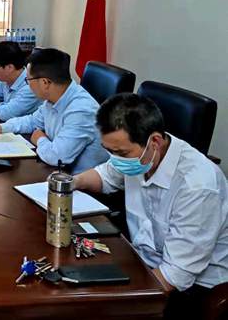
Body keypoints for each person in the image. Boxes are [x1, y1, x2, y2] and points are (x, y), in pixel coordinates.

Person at [73, 94, 227, 319]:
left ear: (155, 142)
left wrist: (113, 300)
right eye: (110, 151)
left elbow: (176, 274)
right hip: (143, 260)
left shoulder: (198, 187)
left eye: (121, 153)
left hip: (193, 287)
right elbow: (106, 175)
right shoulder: (142, 154)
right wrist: (72, 182)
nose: (116, 159)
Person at [0, 48, 108, 173]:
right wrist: (0, 128)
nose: (27, 84)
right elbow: (32, 121)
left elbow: (57, 157)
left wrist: (40, 139)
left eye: (28, 80)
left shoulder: (81, 110)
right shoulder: (54, 97)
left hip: (79, 181)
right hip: (57, 172)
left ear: (45, 82)